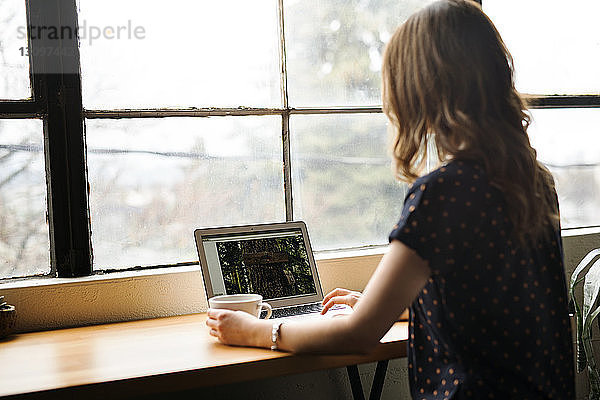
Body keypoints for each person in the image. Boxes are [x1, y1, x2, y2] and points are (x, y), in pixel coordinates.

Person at [206, 0, 575, 398]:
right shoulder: (534, 182)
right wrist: (383, 303)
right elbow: (485, 301)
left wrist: (259, 331)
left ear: (421, 90)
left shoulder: (443, 192)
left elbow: (359, 334)